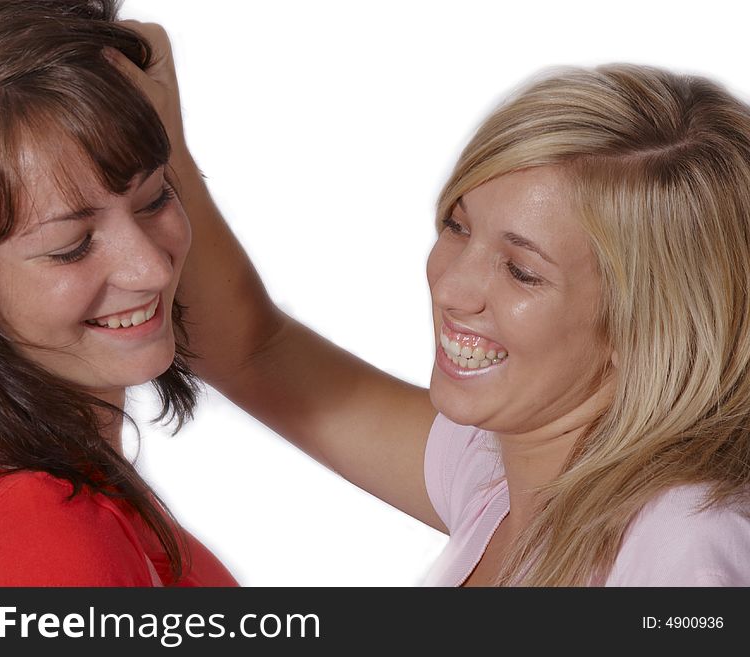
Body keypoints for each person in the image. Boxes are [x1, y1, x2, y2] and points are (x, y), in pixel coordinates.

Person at [113, 31, 750, 584]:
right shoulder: (500, 473)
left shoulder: (684, 550)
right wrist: (163, 146)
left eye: (522, 271)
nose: (450, 287)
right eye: (458, 225)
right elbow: (253, 353)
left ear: (651, 323)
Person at [0, 0, 237, 586]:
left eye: (155, 199)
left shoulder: (28, 493)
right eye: (71, 245)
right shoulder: (42, 542)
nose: (151, 269)